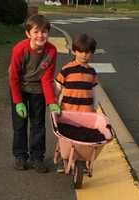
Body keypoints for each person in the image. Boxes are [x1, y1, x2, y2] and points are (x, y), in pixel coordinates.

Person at [8, 14, 60, 173]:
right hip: (19, 88)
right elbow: (14, 77)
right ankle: (20, 156)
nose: (40, 35)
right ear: (28, 33)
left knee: (38, 125)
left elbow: (47, 78)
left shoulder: (51, 51)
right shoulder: (19, 49)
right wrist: (18, 102)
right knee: (20, 124)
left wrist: (52, 101)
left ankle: (37, 157)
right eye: (36, 32)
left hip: (38, 90)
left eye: (44, 32)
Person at [55, 33, 98, 172]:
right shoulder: (67, 69)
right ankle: (64, 158)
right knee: (66, 137)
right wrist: (54, 103)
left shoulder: (92, 72)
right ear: (74, 51)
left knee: (85, 139)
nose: (85, 55)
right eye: (81, 51)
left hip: (86, 111)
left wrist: (95, 107)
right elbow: (58, 87)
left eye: (88, 52)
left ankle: (83, 159)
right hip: (68, 110)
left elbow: (93, 90)